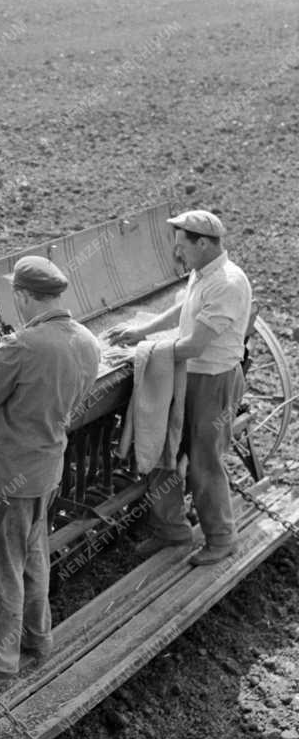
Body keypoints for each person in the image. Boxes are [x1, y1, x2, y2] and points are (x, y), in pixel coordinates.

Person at [0, 256, 102, 678]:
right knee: (33, 556)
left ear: (22, 296)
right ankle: (36, 639)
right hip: (47, 468)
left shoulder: (24, 345)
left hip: (8, 475)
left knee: (0, 566)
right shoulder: (86, 341)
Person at [107, 209, 252, 566]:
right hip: (185, 376)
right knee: (164, 453)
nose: (177, 254)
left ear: (202, 243)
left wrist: (144, 353)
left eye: (181, 246)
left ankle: (221, 539)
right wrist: (142, 331)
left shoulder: (228, 284)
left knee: (205, 464)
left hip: (212, 382)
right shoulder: (201, 274)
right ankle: (172, 532)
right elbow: (183, 309)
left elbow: (192, 346)